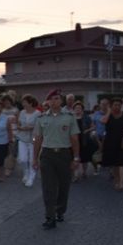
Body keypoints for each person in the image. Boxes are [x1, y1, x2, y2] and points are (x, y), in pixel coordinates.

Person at [32, 89, 80, 230]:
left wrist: (76, 157)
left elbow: (74, 138)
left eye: (57, 98)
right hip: (47, 155)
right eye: (52, 99)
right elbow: (37, 139)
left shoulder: (69, 117)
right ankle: (50, 216)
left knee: (64, 186)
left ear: (62, 101)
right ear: (48, 101)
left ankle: (60, 211)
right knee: (48, 188)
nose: (54, 101)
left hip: (64, 154)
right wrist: (34, 158)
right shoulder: (41, 118)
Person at [98, 98, 123, 191]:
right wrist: (109, 111)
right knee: (114, 163)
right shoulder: (108, 115)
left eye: (119, 105)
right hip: (111, 142)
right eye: (115, 105)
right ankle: (117, 180)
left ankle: (121, 183)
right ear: (111, 106)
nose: (117, 107)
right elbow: (103, 121)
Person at [16, 94, 41, 187]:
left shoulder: (38, 113)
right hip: (22, 137)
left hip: (33, 139)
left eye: (25, 102)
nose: (23, 104)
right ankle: (26, 172)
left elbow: (38, 126)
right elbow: (18, 123)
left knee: (32, 159)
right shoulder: (22, 112)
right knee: (22, 159)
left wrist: (29, 128)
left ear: (30, 103)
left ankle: (31, 177)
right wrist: (19, 127)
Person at [72, 101, 97, 181]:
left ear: (82, 109)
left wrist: (87, 130)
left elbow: (93, 126)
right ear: (73, 109)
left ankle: (84, 172)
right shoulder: (71, 118)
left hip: (84, 140)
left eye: (79, 108)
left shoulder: (86, 117)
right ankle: (76, 175)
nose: (77, 109)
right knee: (75, 157)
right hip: (74, 140)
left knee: (84, 158)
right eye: (76, 108)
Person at [1, 95, 19, 177]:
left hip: (14, 132)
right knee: (5, 151)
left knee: (12, 151)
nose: (6, 103)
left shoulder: (15, 110)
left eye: (8, 101)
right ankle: (7, 166)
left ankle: (9, 168)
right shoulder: (2, 111)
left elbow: (19, 122)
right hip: (4, 133)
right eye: (5, 102)